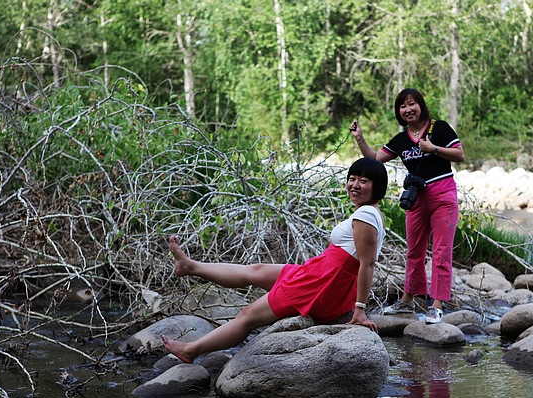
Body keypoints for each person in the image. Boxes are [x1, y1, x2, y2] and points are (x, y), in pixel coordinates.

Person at [161, 157, 387, 363]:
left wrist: (359, 310)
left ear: (377, 186)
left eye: (363, 181)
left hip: (322, 282)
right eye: (352, 178)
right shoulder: (370, 212)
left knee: (248, 316)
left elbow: (366, 264)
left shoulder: (365, 216)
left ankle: (191, 350)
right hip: (321, 272)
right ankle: (190, 266)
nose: (355, 185)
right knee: (255, 270)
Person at [349, 88, 465, 323]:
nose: (408, 109)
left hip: (443, 195)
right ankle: (407, 301)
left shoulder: (439, 128)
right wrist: (360, 138)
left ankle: (437, 304)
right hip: (416, 198)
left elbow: (459, 154)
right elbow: (373, 158)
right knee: (413, 251)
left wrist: (433, 148)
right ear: (399, 112)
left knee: (441, 251)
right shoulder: (401, 140)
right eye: (403, 106)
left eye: (412, 104)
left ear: (420, 105)